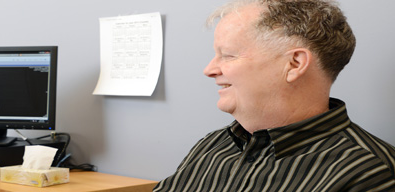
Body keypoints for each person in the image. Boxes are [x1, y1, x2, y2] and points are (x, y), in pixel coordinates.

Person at [153, 0, 395, 191]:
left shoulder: (368, 172)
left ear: (294, 63)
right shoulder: (214, 146)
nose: (209, 70)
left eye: (227, 55)